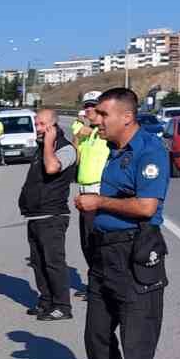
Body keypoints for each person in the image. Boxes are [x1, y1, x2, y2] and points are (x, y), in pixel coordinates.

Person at [72, 88, 170, 359]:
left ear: (126, 117)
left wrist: (98, 202)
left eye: (102, 114)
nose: (96, 120)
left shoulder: (149, 151)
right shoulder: (113, 151)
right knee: (96, 336)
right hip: (104, 254)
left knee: (137, 344)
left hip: (135, 252)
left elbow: (146, 206)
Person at [17, 108, 78, 321]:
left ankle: (62, 306)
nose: (38, 128)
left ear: (54, 126)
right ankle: (46, 301)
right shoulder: (42, 148)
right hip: (35, 216)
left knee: (53, 263)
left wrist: (50, 143)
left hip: (52, 216)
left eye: (42, 124)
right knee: (38, 263)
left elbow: (52, 168)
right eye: (36, 124)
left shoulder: (65, 149)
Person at [71, 100, 111, 300]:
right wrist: (78, 135)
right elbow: (76, 159)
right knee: (86, 242)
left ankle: (101, 286)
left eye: (92, 107)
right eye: (86, 107)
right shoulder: (88, 134)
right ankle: (94, 283)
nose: (88, 110)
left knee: (97, 242)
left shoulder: (105, 133)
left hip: (98, 191)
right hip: (84, 190)